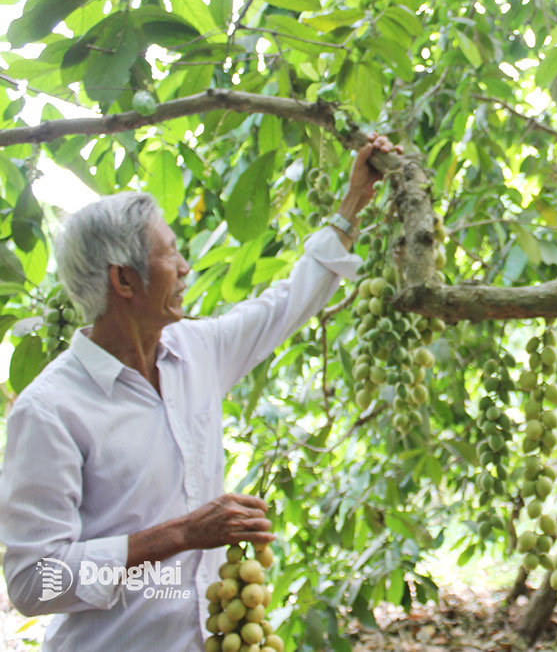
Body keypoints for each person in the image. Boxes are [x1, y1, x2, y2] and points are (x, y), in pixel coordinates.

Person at [0, 134, 400, 651]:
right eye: (170, 255)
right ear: (124, 281)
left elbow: (286, 304)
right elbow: (34, 582)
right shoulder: (51, 409)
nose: (186, 267)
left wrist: (352, 204)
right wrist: (183, 534)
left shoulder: (194, 351)